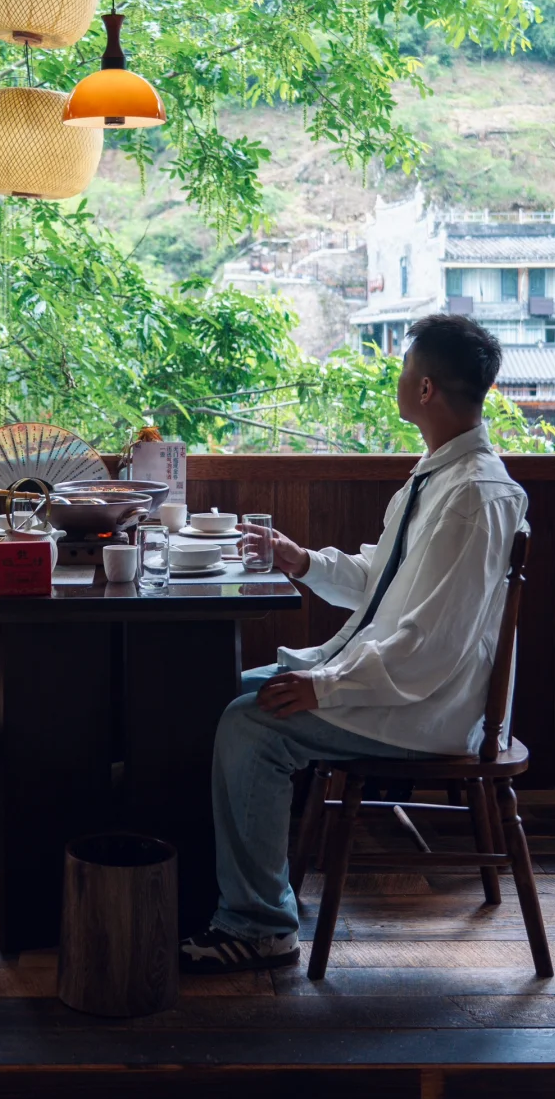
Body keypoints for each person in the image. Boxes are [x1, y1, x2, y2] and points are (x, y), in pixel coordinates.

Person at [180, 314, 528, 973]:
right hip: (399, 682)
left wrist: (326, 685)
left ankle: (261, 925)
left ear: (425, 388)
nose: (398, 379)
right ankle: (226, 889)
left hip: (429, 705)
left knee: (252, 725)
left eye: (404, 369)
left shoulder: (476, 495)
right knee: (229, 692)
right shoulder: (440, 475)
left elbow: (433, 645)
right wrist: (302, 560)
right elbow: (382, 581)